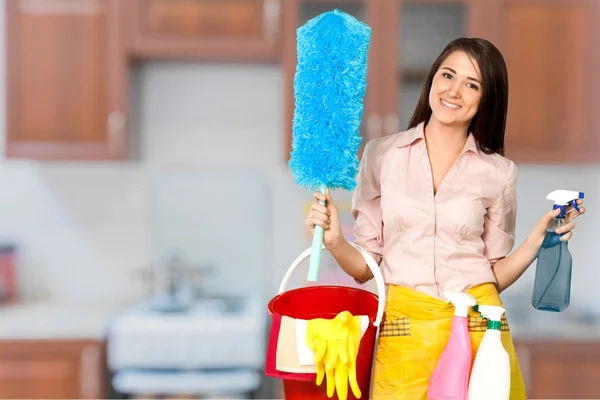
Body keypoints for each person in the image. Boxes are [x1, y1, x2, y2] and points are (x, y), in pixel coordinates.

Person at [305, 37, 586, 399]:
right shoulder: (381, 155)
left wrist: (536, 241)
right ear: (432, 79)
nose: (454, 91)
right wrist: (336, 241)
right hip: (405, 326)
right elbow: (366, 267)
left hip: (479, 324)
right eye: (448, 75)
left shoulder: (499, 173)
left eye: (472, 84)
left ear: (487, 98)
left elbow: (493, 274)